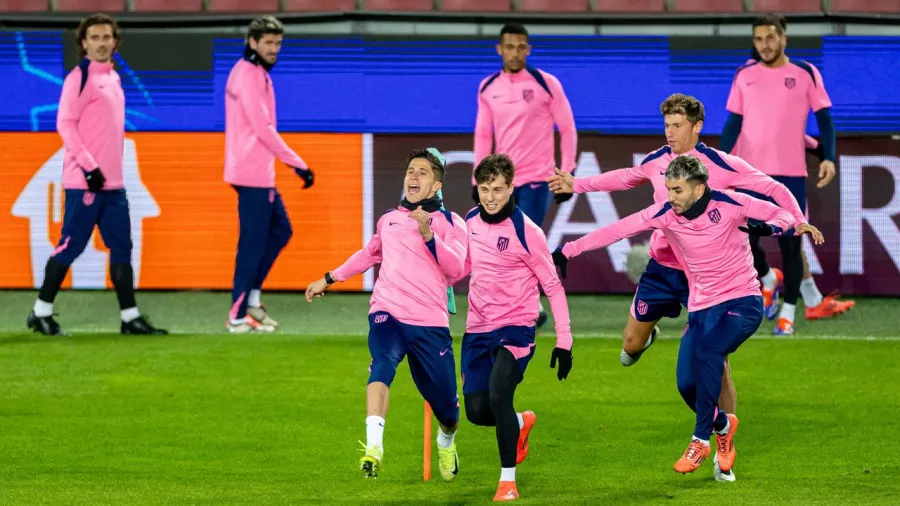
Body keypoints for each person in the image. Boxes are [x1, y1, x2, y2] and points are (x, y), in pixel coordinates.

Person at [548, 93, 807, 481]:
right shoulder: (657, 166)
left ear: (697, 126)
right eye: (666, 125)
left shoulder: (721, 169)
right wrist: (577, 185)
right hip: (662, 267)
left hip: (708, 279)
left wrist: (795, 220)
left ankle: (721, 439)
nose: (669, 133)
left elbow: (772, 191)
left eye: (677, 125)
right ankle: (706, 410)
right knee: (632, 347)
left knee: (714, 360)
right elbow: (622, 181)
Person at [305, 148, 467, 482]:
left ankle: (446, 439)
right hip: (387, 312)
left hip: (430, 324)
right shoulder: (389, 219)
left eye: (422, 172)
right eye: (410, 171)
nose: (413, 176)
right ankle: (374, 447)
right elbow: (369, 254)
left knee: (448, 411)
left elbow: (457, 270)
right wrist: (329, 278)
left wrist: (428, 236)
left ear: (437, 184)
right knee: (382, 364)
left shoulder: (452, 224)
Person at [27, 13, 166, 337]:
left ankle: (130, 317)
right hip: (85, 182)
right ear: (84, 43)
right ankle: (40, 311)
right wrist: (90, 168)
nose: (102, 43)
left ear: (115, 42)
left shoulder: (113, 78)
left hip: (114, 185)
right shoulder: (80, 77)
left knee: (122, 248)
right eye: (95, 38)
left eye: (107, 37)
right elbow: (65, 123)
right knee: (71, 246)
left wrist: (105, 174)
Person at [720, 13, 854, 335]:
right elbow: (733, 123)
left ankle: (788, 316)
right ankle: (769, 279)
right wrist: (719, 164)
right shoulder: (744, 75)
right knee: (743, 241)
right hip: (750, 174)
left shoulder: (805, 73)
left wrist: (829, 157)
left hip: (790, 175)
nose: (764, 45)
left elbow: (825, 120)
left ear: (783, 38)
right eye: (758, 39)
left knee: (791, 245)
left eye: (770, 38)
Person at [460, 154, 573, 501]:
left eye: (498, 189)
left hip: (516, 327)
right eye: (484, 189)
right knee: (479, 412)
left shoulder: (528, 232)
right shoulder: (469, 220)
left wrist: (564, 340)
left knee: (498, 395)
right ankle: (521, 423)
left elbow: (552, 286)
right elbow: (463, 265)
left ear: (511, 188)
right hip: (477, 328)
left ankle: (507, 482)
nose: (490, 197)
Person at [474, 22, 577, 328]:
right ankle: (529, 306)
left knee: (522, 242)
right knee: (501, 244)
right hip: (502, 183)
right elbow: (483, 135)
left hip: (537, 180)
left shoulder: (546, 84)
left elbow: (568, 129)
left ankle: (529, 308)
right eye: (509, 46)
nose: (515, 52)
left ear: (528, 50)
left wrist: (567, 172)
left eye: (521, 47)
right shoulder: (487, 87)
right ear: (499, 49)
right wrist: (476, 179)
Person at [224, 16, 315, 333]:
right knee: (251, 244)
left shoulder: (252, 72)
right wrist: (298, 163)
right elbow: (263, 129)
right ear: (252, 42)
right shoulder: (249, 74)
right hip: (251, 172)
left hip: (255, 170)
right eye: (268, 43)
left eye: (277, 43)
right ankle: (236, 317)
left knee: (280, 231)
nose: (274, 49)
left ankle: (251, 299)